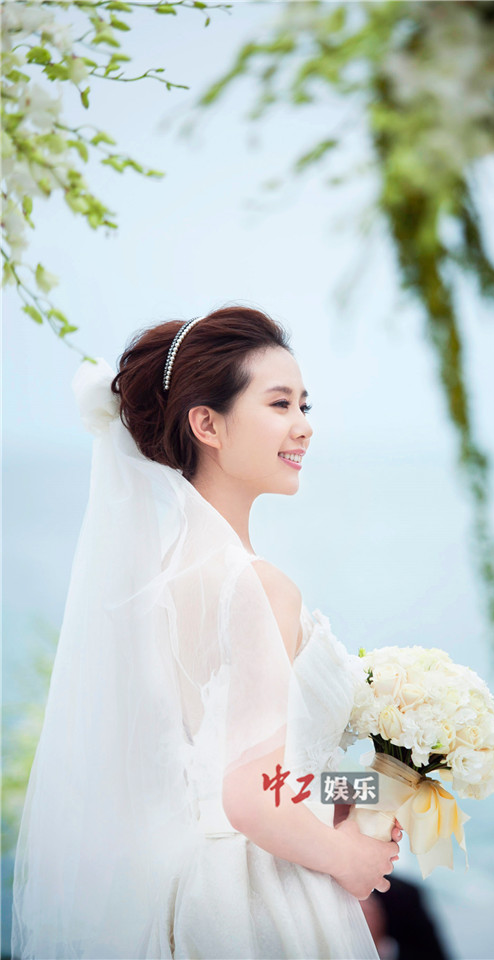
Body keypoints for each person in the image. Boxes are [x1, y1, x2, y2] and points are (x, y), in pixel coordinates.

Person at [11, 304, 403, 960]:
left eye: (305, 405)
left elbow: (261, 772)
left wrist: (385, 785)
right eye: (279, 404)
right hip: (263, 901)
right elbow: (250, 793)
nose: (304, 426)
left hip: (190, 892)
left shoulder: (155, 583)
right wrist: (350, 860)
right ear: (207, 424)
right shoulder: (254, 586)